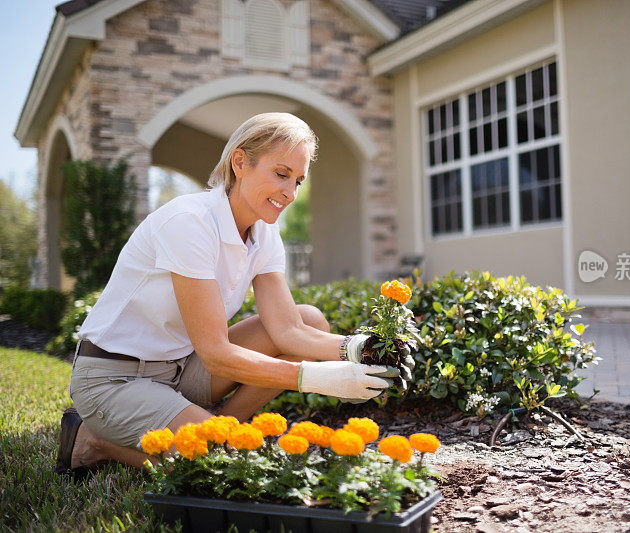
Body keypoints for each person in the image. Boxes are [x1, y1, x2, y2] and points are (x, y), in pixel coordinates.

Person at [56, 113, 409, 478]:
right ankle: (93, 440)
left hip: (180, 368)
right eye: (282, 173)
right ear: (240, 162)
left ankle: (215, 429)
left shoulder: (264, 231)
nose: (290, 193)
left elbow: (290, 331)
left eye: (299, 180)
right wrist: (319, 378)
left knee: (309, 320)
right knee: (219, 463)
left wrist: (362, 347)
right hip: (114, 379)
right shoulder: (190, 222)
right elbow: (216, 354)